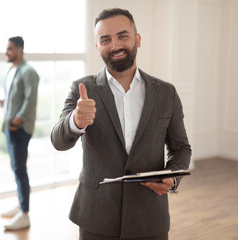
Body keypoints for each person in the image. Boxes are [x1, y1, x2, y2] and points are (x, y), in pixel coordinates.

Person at [51, 8, 191, 240]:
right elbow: (58, 141)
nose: (115, 45)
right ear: (97, 47)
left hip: (149, 215)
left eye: (122, 36)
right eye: (105, 39)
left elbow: (181, 148)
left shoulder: (166, 93)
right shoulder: (81, 89)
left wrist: (171, 177)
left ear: (137, 39)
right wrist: (75, 121)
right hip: (96, 215)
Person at [0, 36, 39, 231]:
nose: (6, 52)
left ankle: (25, 214)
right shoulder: (12, 70)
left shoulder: (29, 72)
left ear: (20, 49)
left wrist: (16, 121)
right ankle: (20, 205)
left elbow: (30, 100)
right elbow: (14, 100)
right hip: (10, 127)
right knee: (16, 168)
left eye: (10, 49)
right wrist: (0, 101)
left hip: (19, 129)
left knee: (20, 169)